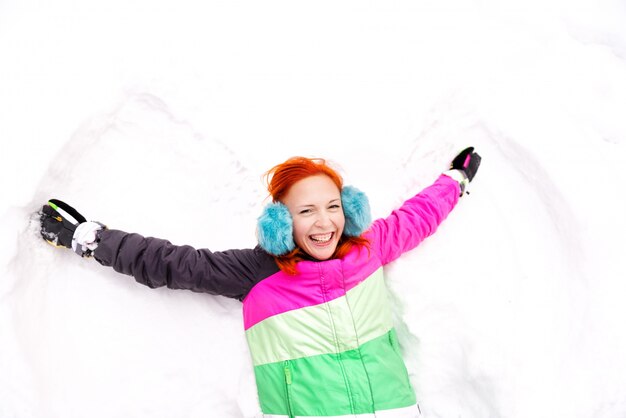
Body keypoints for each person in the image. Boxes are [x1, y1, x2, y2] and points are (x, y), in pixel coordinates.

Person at [39, 147, 481, 418]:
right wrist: (91, 239)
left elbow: (418, 216)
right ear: (281, 223)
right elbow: (173, 264)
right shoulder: (259, 273)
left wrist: (455, 181)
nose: (324, 222)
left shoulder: (368, 248)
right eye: (306, 211)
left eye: (332, 206)